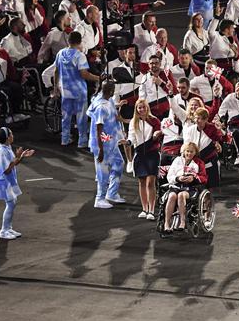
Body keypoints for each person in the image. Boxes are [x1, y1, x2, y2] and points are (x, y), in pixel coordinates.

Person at [54, 31, 101, 147]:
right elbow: (84, 74)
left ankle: (64, 139)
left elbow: (56, 71)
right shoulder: (79, 56)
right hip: (79, 91)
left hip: (65, 90)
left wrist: (55, 87)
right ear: (80, 42)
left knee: (66, 116)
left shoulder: (60, 53)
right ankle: (82, 141)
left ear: (68, 41)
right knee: (81, 117)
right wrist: (98, 78)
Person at [0, 127, 35, 239]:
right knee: (11, 203)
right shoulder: (1, 151)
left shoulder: (6, 147)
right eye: (11, 134)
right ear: (7, 137)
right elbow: (6, 169)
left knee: (12, 202)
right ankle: (4, 231)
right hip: (3, 181)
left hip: (8, 180)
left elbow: (13, 163)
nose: (13, 136)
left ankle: (8, 228)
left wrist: (21, 156)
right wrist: (18, 157)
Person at [88, 81, 126, 209]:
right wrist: (100, 150)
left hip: (111, 142)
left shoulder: (107, 100)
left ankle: (112, 193)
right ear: (111, 91)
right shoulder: (101, 107)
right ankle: (99, 199)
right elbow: (98, 129)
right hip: (102, 145)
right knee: (102, 172)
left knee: (119, 164)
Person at [127, 98, 162, 220]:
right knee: (141, 182)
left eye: (144, 107)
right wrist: (127, 142)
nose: (142, 109)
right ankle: (144, 209)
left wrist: (157, 135)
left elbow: (159, 134)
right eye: (139, 107)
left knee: (150, 182)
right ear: (136, 109)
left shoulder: (154, 120)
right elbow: (131, 137)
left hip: (152, 154)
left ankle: (151, 211)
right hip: (140, 154)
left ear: (147, 108)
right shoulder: (133, 122)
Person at [163, 142, 208, 234]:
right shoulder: (177, 160)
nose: (189, 153)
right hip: (176, 185)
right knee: (171, 196)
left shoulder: (199, 163)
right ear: (183, 151)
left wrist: (194, 178)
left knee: (181, 195)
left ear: (195, 152)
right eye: (187, 151)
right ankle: (166, 224)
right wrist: (178, 178)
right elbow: (170, 175)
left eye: (192, 151)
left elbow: (204, 178)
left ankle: (182, 222)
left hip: (191, 187)